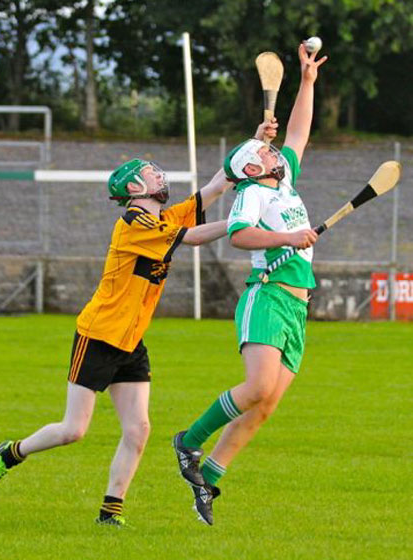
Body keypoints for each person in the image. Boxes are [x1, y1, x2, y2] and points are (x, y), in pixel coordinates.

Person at [0, 122, 277, 527]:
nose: (158, 174)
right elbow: (193, 237)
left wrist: (256, 146)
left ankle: (109, 514)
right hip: (99, 336)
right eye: (150, 172)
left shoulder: (163, 218)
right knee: (73, 430)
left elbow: (219, 183)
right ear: (134, 188)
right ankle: (11, 453)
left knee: (139, 429)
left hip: (131, 340)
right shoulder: (136, 224)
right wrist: (244, 221)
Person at [173, 43, 327, 525]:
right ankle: (188, 442)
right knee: (257, 385)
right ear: (252, 169)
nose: (271, 144)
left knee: (265, 405)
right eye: (261, 149)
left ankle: (209, 482)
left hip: (297, 306)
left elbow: (299, 132)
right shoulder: (253, 192)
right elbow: (239, 236)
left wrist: (307, 82)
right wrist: (287, 236)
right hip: (268, 295)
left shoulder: (284, 181)